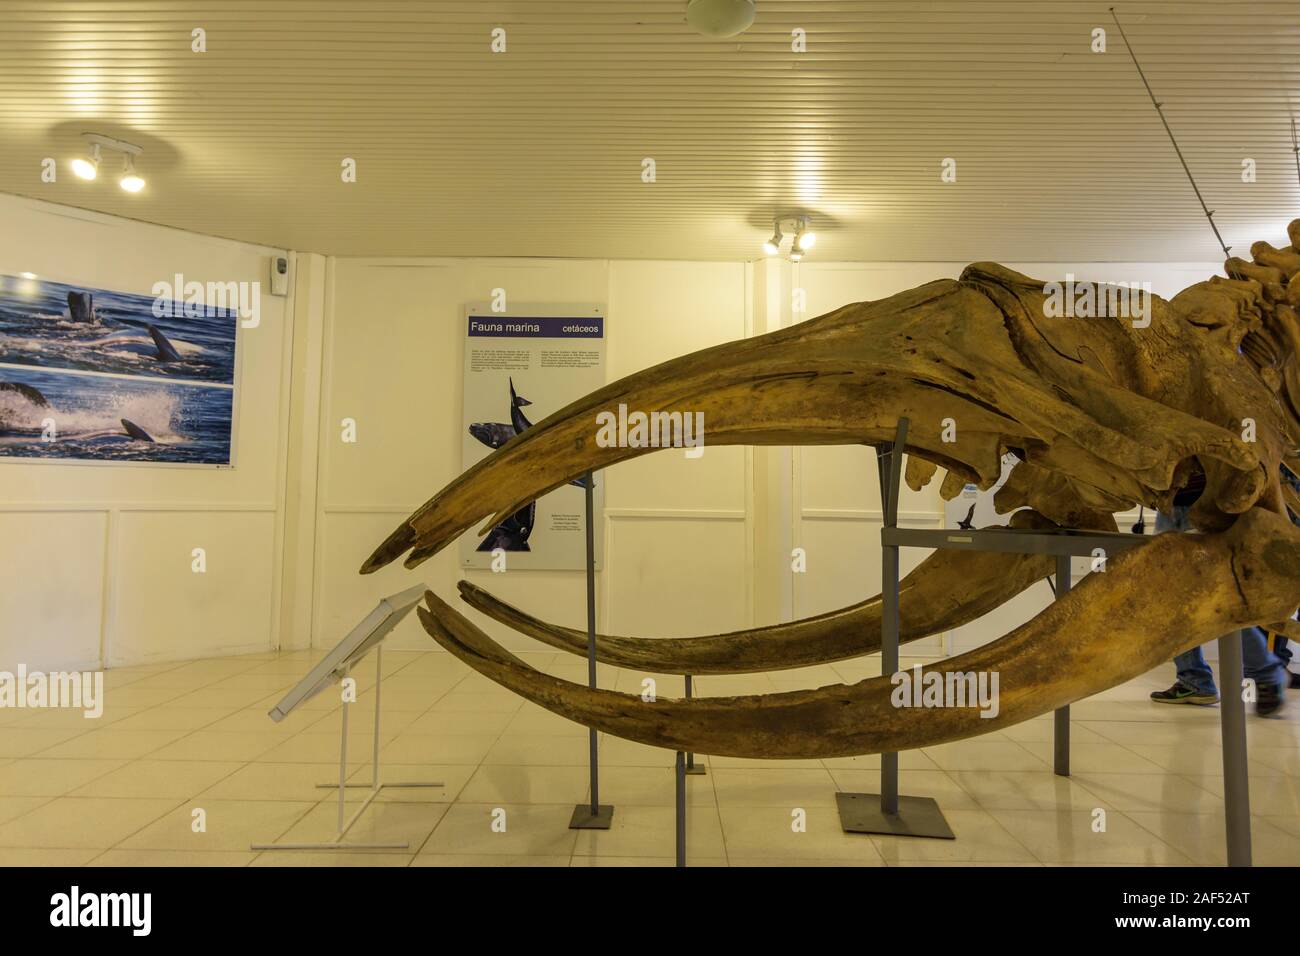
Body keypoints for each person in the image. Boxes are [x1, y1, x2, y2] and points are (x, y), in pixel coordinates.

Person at [1149, 472, 1290, 717]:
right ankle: (1196, 678)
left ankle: (1262, 673)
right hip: (1183, 502)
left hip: (1198, 503)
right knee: (1182, 599)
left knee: (1212, 601)